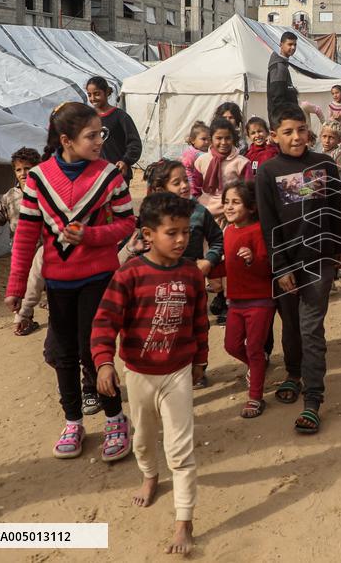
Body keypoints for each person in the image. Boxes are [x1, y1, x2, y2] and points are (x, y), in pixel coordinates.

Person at [4, 102, 135, 461]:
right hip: (58, 283)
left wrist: (91, 236)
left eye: (100, 134)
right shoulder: (38, 179)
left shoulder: (110, 176)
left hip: (99, 277)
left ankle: (114, 417)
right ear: (66, 140)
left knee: (95, 349)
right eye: (91, 135)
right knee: (63, 354)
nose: (98, 141)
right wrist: (16, 287)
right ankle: (73, 420)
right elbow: (27, 236)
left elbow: (127, 224)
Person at [90, 192, 208, 556]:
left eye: (185, 232)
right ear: (147, 234)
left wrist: (200, 361)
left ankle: (183, 521)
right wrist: (104, 361)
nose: (181, 240)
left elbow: (201, 323)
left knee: (181, 449)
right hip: (139, 373)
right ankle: (150, 477)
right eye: (171, 233)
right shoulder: (130, 274)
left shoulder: (191, 274)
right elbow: (105, 320)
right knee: (142, 439)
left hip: (178, 372)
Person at [256, 103, 341, 433]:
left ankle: (313, 399)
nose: (297, 137)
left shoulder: (324, 165)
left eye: (301, 130)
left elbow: (338, 207)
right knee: (290, 323)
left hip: (318, 260)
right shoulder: (267, 172)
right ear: (273, 136)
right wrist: (280, 268)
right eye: (288, 132)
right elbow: (269, 223)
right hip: (287, 261)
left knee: (311, 328)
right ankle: (293, 373)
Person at [139, 159, 222, 388]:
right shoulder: (152, 216)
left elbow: (217, 239)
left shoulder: (199, 211)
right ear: (162, 188)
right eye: (177, 182)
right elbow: (141, 244)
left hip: (192, 280)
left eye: (186, 180)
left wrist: (209, 261)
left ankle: (198, 368)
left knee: (197, 324)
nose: (185, 186)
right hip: (160, 284)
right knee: (166, 326)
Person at [0, 147, 46, 336]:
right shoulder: (10, 196)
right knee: (20, 285)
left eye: (28, 169)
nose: (23, 173)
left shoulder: (45, 193)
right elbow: (0, 214)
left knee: (44, 281)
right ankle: (25, 319)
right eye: (19, 169)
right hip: (20, 250)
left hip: (44, 249)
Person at [219, 181, 273, 418]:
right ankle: (257, 365)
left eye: (236, 202)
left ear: (251, 207)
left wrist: (252, 259)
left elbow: (267, 268)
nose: (229, 207)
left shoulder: (259, 231)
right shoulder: (228, 231)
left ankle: (255, 397)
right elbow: (227, 264)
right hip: (236, 301)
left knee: (253, 347)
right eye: (226, 202)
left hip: (260, 300)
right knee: (231, 345)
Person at [192, 117, 252, 222]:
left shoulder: (242, 163)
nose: (224, 142)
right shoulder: (201, 160)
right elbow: (196, 188)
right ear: (211, 139)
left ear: (233, 138)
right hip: (205, 213)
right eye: (219, 138)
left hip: (231, 214)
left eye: (227, 138)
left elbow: (248, 190)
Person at [87, 76, 142, 182]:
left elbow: (134, 144)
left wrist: (125, 161)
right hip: (96, 174)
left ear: (107, 92)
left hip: (118, 172)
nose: (93, 98)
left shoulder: (120, 116)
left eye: (97, 94)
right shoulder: (88, 117)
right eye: (89, 95)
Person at [268, 31, 299, 120]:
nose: (293, 47)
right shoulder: (279, 67)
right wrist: (285, 120)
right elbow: (277, 99)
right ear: (281, 45)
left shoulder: (283, 65)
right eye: (289, 44)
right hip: (283, 120)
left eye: (295, 45)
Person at [181, 121, 210, 195]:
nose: (207, 142)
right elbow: (186, 170)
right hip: (193, 186)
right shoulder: (190, 153)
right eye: (203, 139)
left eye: (208, 139)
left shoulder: (209, 152)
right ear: (193, 140)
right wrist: (191, 186)